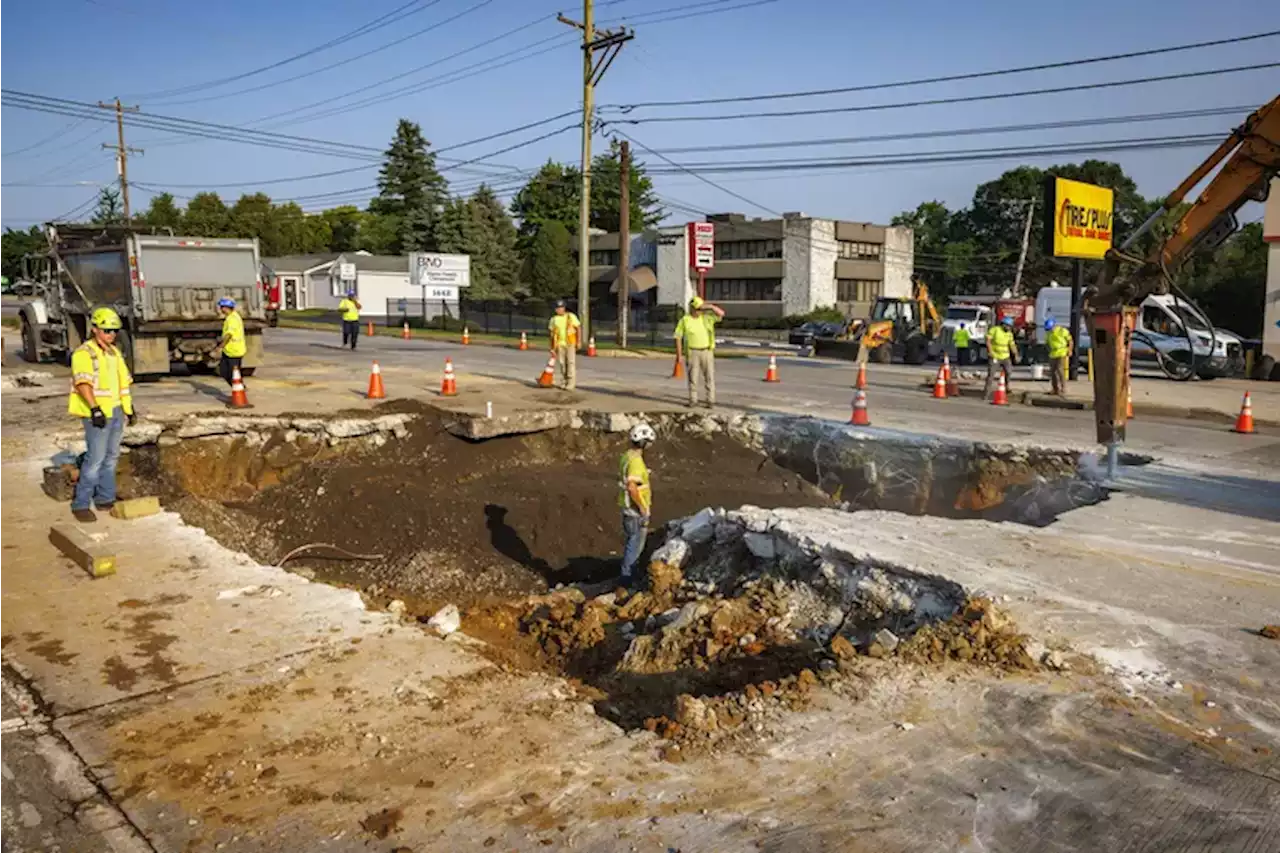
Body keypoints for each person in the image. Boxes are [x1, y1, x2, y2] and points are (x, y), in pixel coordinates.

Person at [68, 307, 135, 522]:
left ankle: (105, 498)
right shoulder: (84, 353)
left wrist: (129, 409)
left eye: (114, 330)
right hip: (96, 414)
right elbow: (82, 383)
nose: (111, 334)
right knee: (95, 459)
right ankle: (81, 503)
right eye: (106, 330)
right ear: (95, 329)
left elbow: (123, 383)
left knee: (111, 457)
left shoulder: (114, 353)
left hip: (115, 411)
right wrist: (95, 408)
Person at [619, 422, 655, 586]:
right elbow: (632, 487)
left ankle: (628, 577)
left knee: (631, 544)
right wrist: (642, 508)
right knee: (634, 547)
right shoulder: (636, 462)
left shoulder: (627, 456)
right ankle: (628, 581)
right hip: (635, 512)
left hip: (627, 509)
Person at [674, 295, 725, 408]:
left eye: (701, 309)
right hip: (692, 352)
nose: (699, 311)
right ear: (692, 308)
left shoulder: (707, 318)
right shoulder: (685, 320)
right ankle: (693, 400)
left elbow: (721, 314)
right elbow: (678, 337)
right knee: (693, 377)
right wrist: (679, 355)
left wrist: (711, 307)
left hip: (706, 351)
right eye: (697, 309)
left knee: (709, 376)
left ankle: (710, 400)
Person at [547, 299, 582, 390]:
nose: (559, 310)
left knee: (570, 362)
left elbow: (578, 328)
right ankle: (564, 381)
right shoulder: (553, 319)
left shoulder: (571, 316)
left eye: (561, 307)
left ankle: (571, 383)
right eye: (558, 308)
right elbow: (551, 334)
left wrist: (578, 341)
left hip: (570, 343)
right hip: (559, 344)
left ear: (564, 308)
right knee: (562, 363)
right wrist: (552, 347)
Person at [983, 316, 1019, 400]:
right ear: (1003, 324)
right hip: (995, 356)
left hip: (1005, 357)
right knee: (991, 375)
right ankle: (986, 393)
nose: (1009, 328)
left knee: (1009, 372)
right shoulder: (995, 330)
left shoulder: (1009, 334)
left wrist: (1016, 354)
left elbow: (1012, 345)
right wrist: (990, 352)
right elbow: (988, 340)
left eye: (1010, 326)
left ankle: (1007, 388)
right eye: (1008, 326)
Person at [215, 298, 247, 390]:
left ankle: (240, 390)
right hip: (229, 351)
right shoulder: (230, 317)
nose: (220, 309)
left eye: (222, 307)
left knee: (232, 374)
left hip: (234, 351)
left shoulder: (232, 319)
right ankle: (238, 389)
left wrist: (220, 347)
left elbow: (229, 335)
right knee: (224, 372)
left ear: (226, 308)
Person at [1045, 318, 1073, 397]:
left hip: (1062, 352)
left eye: (1050, 328)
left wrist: (1070, 350)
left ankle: (1063, 387)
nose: (1050, 330)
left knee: (1060, 369)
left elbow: (1070, 341)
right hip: (1053, 353)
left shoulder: (1062, 330)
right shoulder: (1048, 333)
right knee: (1053, 372)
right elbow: (1047, 343)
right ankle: (1055, 389)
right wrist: (1049, 350)